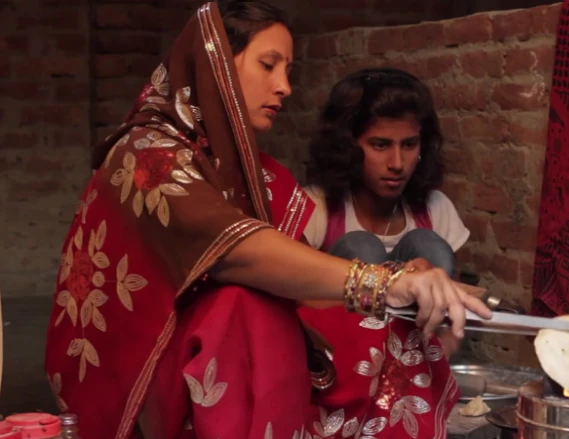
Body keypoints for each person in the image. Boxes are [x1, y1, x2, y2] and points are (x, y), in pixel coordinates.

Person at [43, 2, 491, 439]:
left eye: (288, 71)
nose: (285, 87)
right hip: (148, 358)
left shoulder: (255, 172)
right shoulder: (148, 154)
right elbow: (237, 253)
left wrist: (409, 288)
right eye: (268, 65)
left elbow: (300, 283)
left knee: (376, 314)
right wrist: (382, 282)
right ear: (213, 64)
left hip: (226, 349)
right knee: (243, 308)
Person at [297, 68, 470, 439]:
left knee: (426, 247)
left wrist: (428, 283)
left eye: (409, 145)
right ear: (348, 145)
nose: (397, 162)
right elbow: (291, 307)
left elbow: (458, 317)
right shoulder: (316, 208)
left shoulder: (435, 208)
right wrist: (392, 280)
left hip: (418, 367)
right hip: (344, 375)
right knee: (360, 247)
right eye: (379, 145)